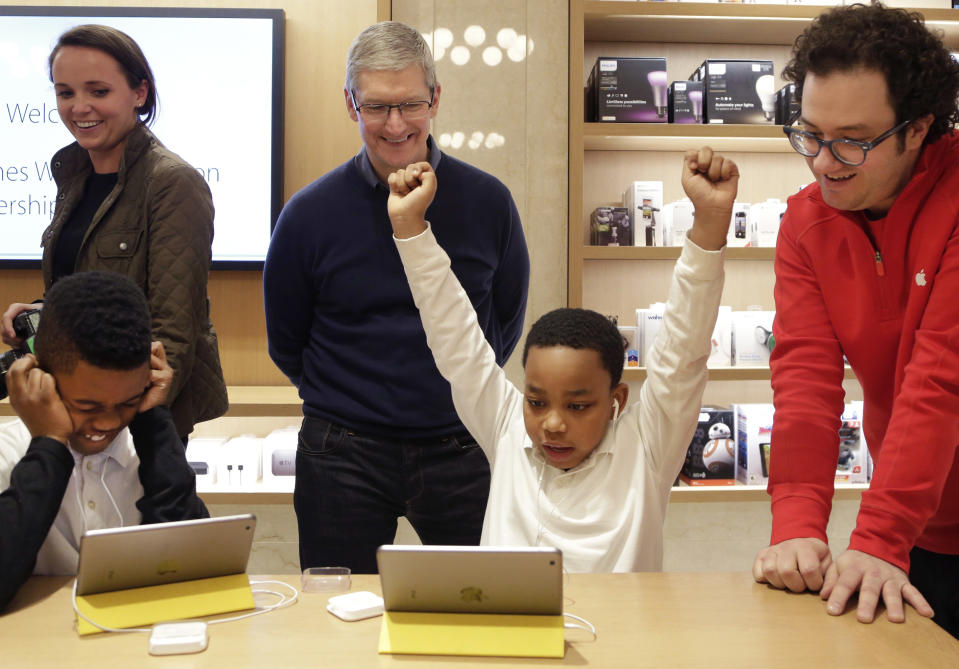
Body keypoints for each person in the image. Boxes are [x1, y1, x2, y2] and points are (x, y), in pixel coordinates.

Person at [385, 148, 735, 572]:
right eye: (537, 401)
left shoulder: (647, 445)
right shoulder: (507, 429)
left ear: (616, 400)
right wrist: (409, 228)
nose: (551, 423)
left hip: (621, 637)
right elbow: (455, 338)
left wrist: (711, 223)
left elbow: (684, 348)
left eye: (578, 405)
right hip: (513, 637)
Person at [263, 21, 530, 574]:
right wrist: (349, 399)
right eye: (376, 107)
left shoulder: (489, 202)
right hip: (342, 451)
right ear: (350, 104)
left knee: (480, 607)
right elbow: (287, 340)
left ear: (435, 98)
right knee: (338, 618)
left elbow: (504, 320)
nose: (395, 125)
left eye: (410, 104)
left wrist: (460, 395)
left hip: (464, 443)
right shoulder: (308, 215)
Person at [752, 3, 959, 638]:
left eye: (852, 140)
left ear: (919, 127)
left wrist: (879, 534)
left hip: (902, 522)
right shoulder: (805, 222)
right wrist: (795, 523)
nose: (822, 161)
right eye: (809, 133)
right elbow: (807, 377)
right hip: (926, 525)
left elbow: (941, 379)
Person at [0, 24, 227, 440]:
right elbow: (89, 290)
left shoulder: (172, 182)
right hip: (74, 404)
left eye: (98, 91)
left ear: (139, 93)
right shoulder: (73, 173)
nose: (79, 107)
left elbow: (173, 333)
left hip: (131, 417)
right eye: (65, 92)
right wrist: (40, 313)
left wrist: (114, 420)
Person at [0, 272, 208, 611]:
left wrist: (154, 424)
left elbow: (191, 569)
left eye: (127, 403)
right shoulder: (6, 454)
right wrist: (49, 444)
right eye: (86, 406)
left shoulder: (149, 451)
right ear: (40, 379)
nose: (109, 422)